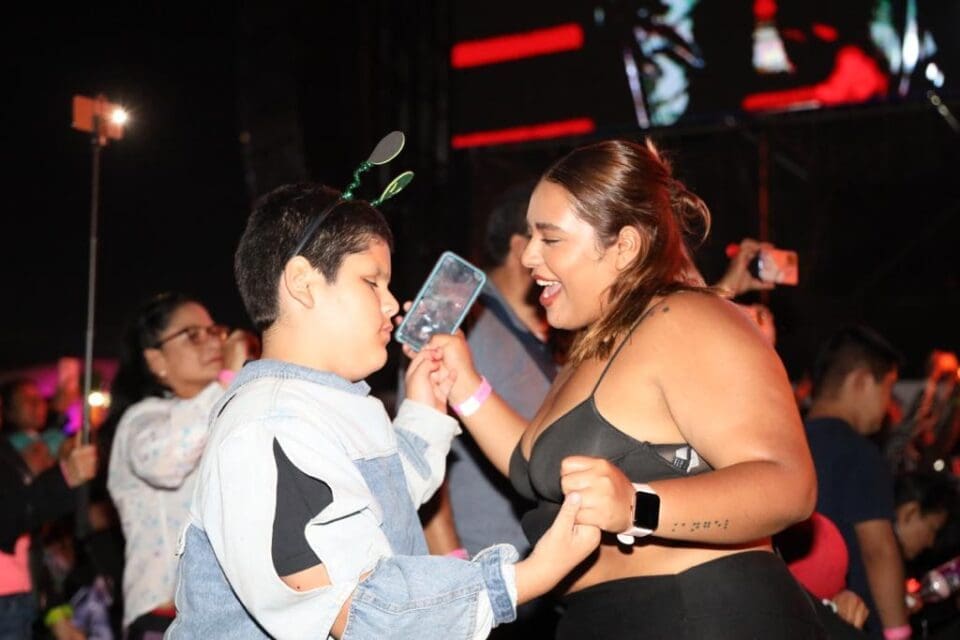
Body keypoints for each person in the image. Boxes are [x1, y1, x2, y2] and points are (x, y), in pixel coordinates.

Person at [167, 182, 600, 639]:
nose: (392, 303)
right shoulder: (270, 426)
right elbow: (354, 606)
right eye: (372, 281)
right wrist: (528, 576)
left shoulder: (325, 405)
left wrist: (424, 409)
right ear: (303, 283)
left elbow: (383, 502)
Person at [428, 139, 823, 638]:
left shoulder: (684, 320)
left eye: (550, 239)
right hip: (608, 619)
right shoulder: (593, 344)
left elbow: (788, 485)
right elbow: (535, 468)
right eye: (530, 236)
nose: (527, 255)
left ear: (625, 247)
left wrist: (638, 506)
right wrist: (464, 385)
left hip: (701, 613)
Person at [105, 292, 251, 638]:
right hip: (167, 614)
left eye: (214, 331)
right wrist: (228, 377)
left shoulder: (225, 411)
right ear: (156, 359)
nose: (213, 342)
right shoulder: (142, 421)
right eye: (192, 335)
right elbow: (166, 462)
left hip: (227, 612)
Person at [804, 325, 908, 639]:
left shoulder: (786, 443)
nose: (888, 405)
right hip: (853, 625)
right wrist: (898, 631)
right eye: (887, 388)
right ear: (861, 381)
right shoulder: (859, 452)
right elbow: (879, 549)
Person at [0, 431, 97, 640]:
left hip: (18, 601)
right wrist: (66, 477)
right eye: (37, 452)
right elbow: (9, 517)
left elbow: (28, 546)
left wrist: (55, 612)